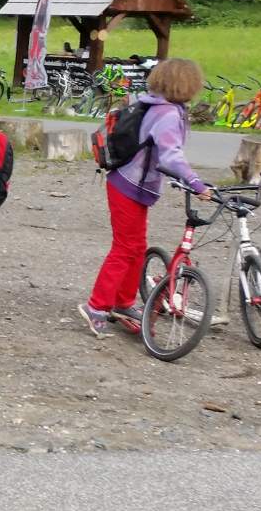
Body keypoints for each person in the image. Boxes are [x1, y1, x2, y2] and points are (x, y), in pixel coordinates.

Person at [76, 59, 212, 337]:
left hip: (131, 183)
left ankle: (124, 302)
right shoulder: (168, 114)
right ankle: (96, 306)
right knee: (125, 247)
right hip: (128, 184)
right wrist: (196, 183)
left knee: (137, 247)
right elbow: (171, 156)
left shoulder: (157, 105)